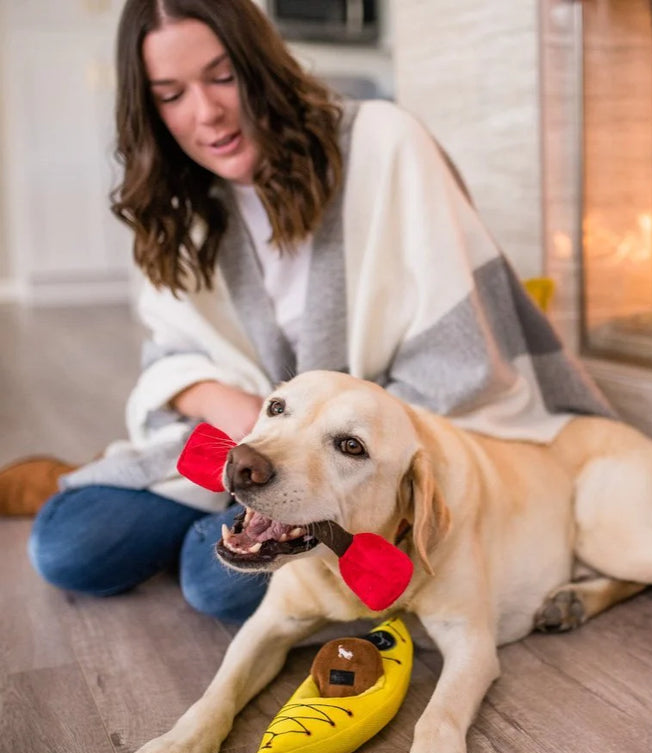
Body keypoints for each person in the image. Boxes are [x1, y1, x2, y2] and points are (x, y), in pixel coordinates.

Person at [11, 0, 611, 624]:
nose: (205, 112)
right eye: (170, 94)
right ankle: (212, 513)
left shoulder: (385, 144)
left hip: (344, 469)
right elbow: (170, 357)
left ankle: (219, 528)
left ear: (261, 66)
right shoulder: (176, 200)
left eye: (223, 77)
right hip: (237, 445)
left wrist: (312, 449)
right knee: (67, 546)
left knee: (214, 584)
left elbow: (458, 356)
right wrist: (231, 408)